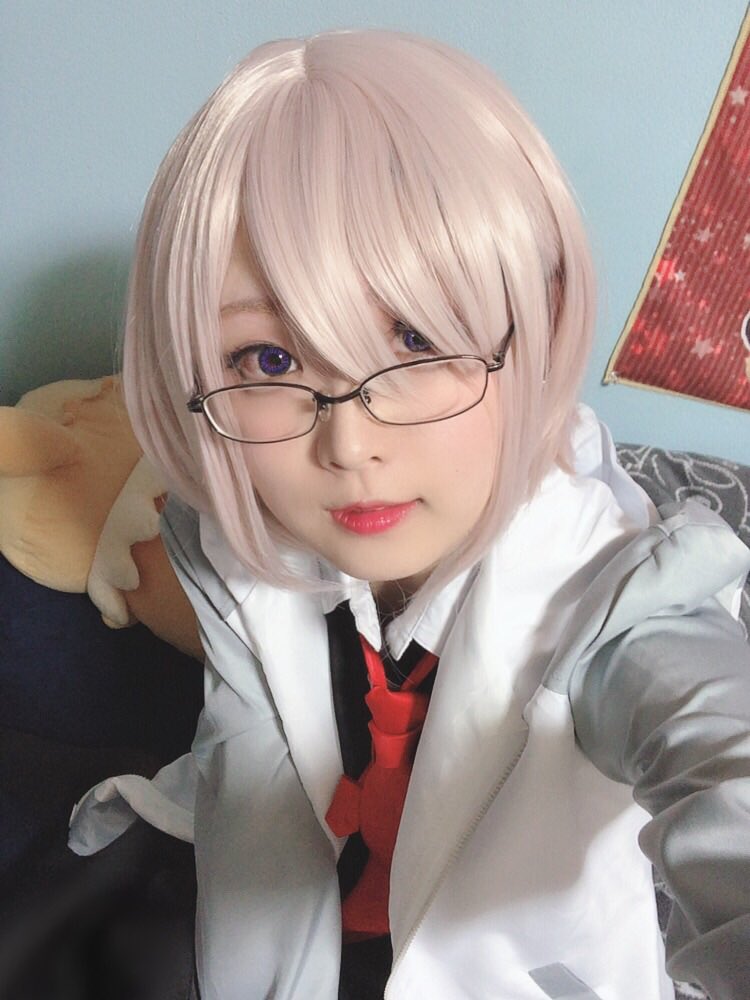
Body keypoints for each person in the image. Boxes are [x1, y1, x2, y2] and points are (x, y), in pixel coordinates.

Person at [68, 28, 750, 1000]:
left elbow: (716, 749)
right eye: (268, 359)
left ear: (543, 317)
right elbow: (252, 806)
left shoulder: (613, 594)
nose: (351, 444)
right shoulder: (222, 540)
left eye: (416, 339)